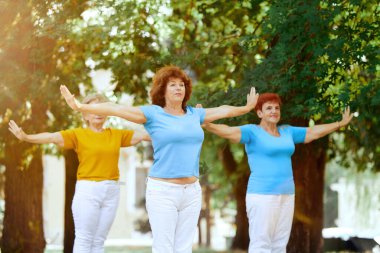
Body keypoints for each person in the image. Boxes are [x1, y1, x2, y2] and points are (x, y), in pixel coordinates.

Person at [60, 65, 259, 253]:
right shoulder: (153, 114)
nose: (178, 88)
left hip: (191, 191)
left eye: (181, 84)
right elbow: (115, 108)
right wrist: (79, 106)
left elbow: (222, 110)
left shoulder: (194, 114)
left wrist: (246, 108)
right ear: (162, 90)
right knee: (164, 248)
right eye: (172, 84)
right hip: (163, 191)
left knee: (184, 248)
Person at [202, 93, 353, 253]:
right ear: (259, 113)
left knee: (280, 244)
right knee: (261, 244)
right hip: (262, 195)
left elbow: (313, 132)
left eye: (276, 108)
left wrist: (339, 123)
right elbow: (227, 131)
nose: (274, 111)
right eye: (269, 108)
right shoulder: (252, 132)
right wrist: (208, 124)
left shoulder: (287, 131)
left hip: (287, 195)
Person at [8, 93, 150, 253]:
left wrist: (175, 127)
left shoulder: (116, 135)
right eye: (93, 109)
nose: (98, 113)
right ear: (85, 115)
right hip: (88, 191)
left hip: (111, 192)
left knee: (99, 241)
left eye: (101, 109)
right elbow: (51, 137)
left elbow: (146, 135)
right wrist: (26, 137)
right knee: (84, 239)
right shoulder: (78, 135)